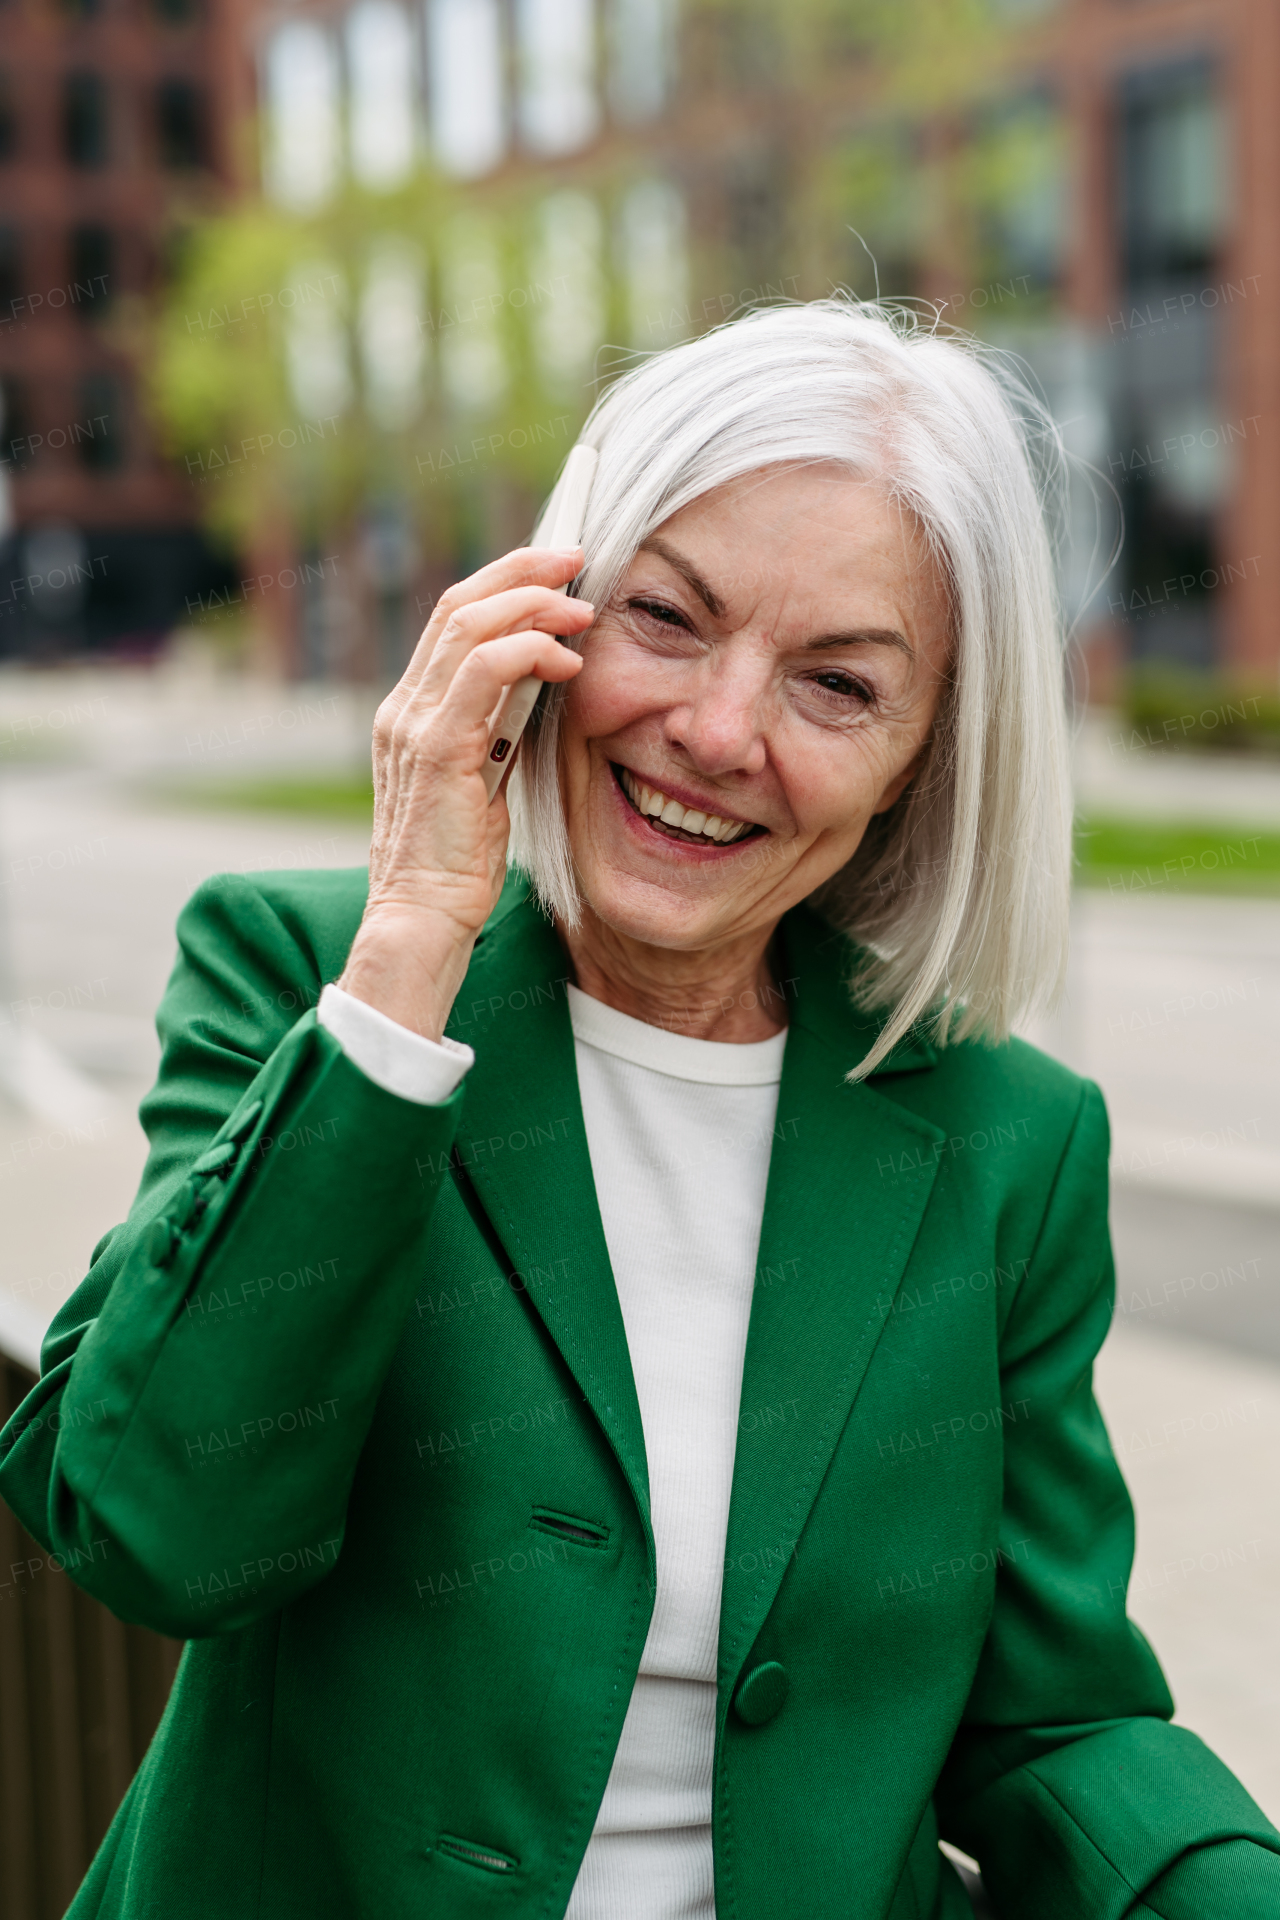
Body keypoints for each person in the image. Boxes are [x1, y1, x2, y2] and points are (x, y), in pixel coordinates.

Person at [2, 300, 1277, 1920]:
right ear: (545, 612)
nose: (721, 732)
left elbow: (1052, 1721)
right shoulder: (305, 979)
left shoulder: (1008, 1144)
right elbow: (158, 1532)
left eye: (835, 684)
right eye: (667, 617)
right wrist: (408, 953)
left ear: (921, 761)